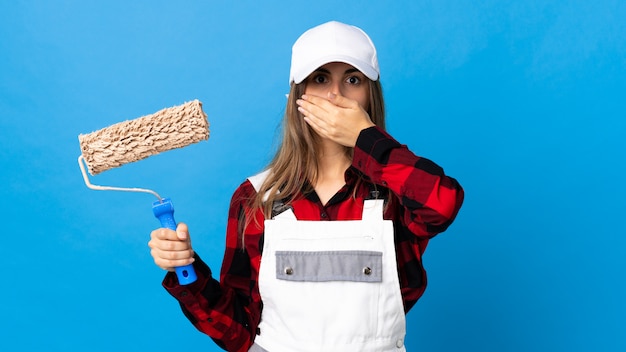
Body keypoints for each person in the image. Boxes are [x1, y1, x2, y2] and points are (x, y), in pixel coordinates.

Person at [148, 21, 464, 352]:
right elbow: (239, 328)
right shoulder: (256, 198)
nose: (335, 95)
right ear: (298, 96)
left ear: (370, 96)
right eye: (320, 78)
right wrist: (185, 268)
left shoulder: (394, 195)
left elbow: (442, 204)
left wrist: (364, 138)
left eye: (352, 80)